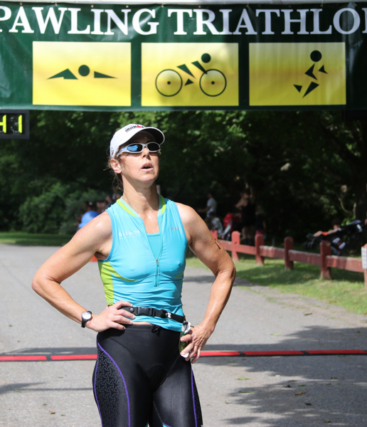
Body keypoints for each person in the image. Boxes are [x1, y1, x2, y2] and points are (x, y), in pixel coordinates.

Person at [32, 124, 235, 427]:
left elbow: (225, 268)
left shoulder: (185, 217)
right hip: (123, 350)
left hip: (171, 355)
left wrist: (207, 326)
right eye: (134, 148)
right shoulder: (105, 226)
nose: (146, 154)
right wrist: (88, 318)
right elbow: (44, 279)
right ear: (116, 164)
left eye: (152, 147)